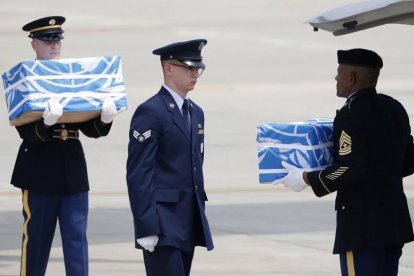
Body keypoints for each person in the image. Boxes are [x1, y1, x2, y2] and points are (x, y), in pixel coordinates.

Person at [278, 48, 414, 276]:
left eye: (339, 72)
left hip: (362, 229)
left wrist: (306, 178)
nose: (336, 78)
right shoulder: (394, 108)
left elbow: (350, 169)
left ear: (351, 78)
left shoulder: (351, 115)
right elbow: (408, 161)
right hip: (393, 224)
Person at [13, 16, 119, 276]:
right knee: (36, 244)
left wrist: (104, 119)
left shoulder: (74, 76)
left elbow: (89, 128)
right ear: (34, 44)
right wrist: (46, 123)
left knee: (76, 244)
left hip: (72, 171)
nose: (55, 45)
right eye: (48, 40)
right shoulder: (25, 78)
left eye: (58, 39)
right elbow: (24, 130)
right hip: (39, 172)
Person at [126, 39, 214, 276]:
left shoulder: (196, 113)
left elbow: (195, 166)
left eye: (198, 69)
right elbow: (138, 174)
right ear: (169, 69)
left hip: (187, 221)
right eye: (189, 68)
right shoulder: (151, 111)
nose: (195, 74)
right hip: (162, 224)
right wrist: (146, 227)